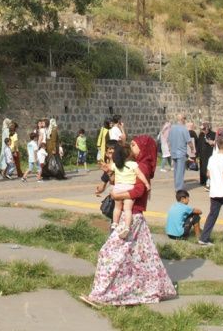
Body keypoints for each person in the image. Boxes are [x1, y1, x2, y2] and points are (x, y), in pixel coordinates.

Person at [81, 135, 176, 307]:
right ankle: (146, 289)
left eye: (134, 145)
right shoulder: (134, 164)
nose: (131, 148)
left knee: (108, 254)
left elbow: (139, 190)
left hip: (131, 217)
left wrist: (117, 195)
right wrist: (109, 174)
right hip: (133, 215)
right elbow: (122, 179)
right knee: (142, 258)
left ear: (143, 148)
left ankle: (102, 295)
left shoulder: (142, 166)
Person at [108, 143, 151, 239]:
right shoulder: (133, 164)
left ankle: (114, 224)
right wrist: (147, 184)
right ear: (129, 154)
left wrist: (111, 158)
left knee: (117, 208)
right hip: (129, 188)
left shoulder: (116, 165)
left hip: (118, 188)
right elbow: (139, 174)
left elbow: (109, 169)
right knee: (128, 209)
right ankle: (127, 227)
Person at [168, 114, 190, 191]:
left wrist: (170, 149)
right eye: (185, 119)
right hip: (181, 152)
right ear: (182, 119)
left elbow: (169, 140)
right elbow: (189, 141)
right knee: (180, 171)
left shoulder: (172, 128)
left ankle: (177, 186)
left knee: (176, 171)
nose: (185, 120)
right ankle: (179, 188)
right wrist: (193, 149)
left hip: (174, 152)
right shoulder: (184, 129)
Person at [197, 122, 215, 189]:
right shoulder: (201, 135)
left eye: (204, 129)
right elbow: (199, 144)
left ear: (208, 128)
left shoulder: (213, 134)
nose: (203, 131)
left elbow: (215, 143)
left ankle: (209, 182)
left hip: (209, 153)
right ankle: (203, 181)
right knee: (202, 168)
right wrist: (197, 154)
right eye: (202, 129)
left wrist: (210, 142)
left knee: (208, 168)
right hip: (202, 154)